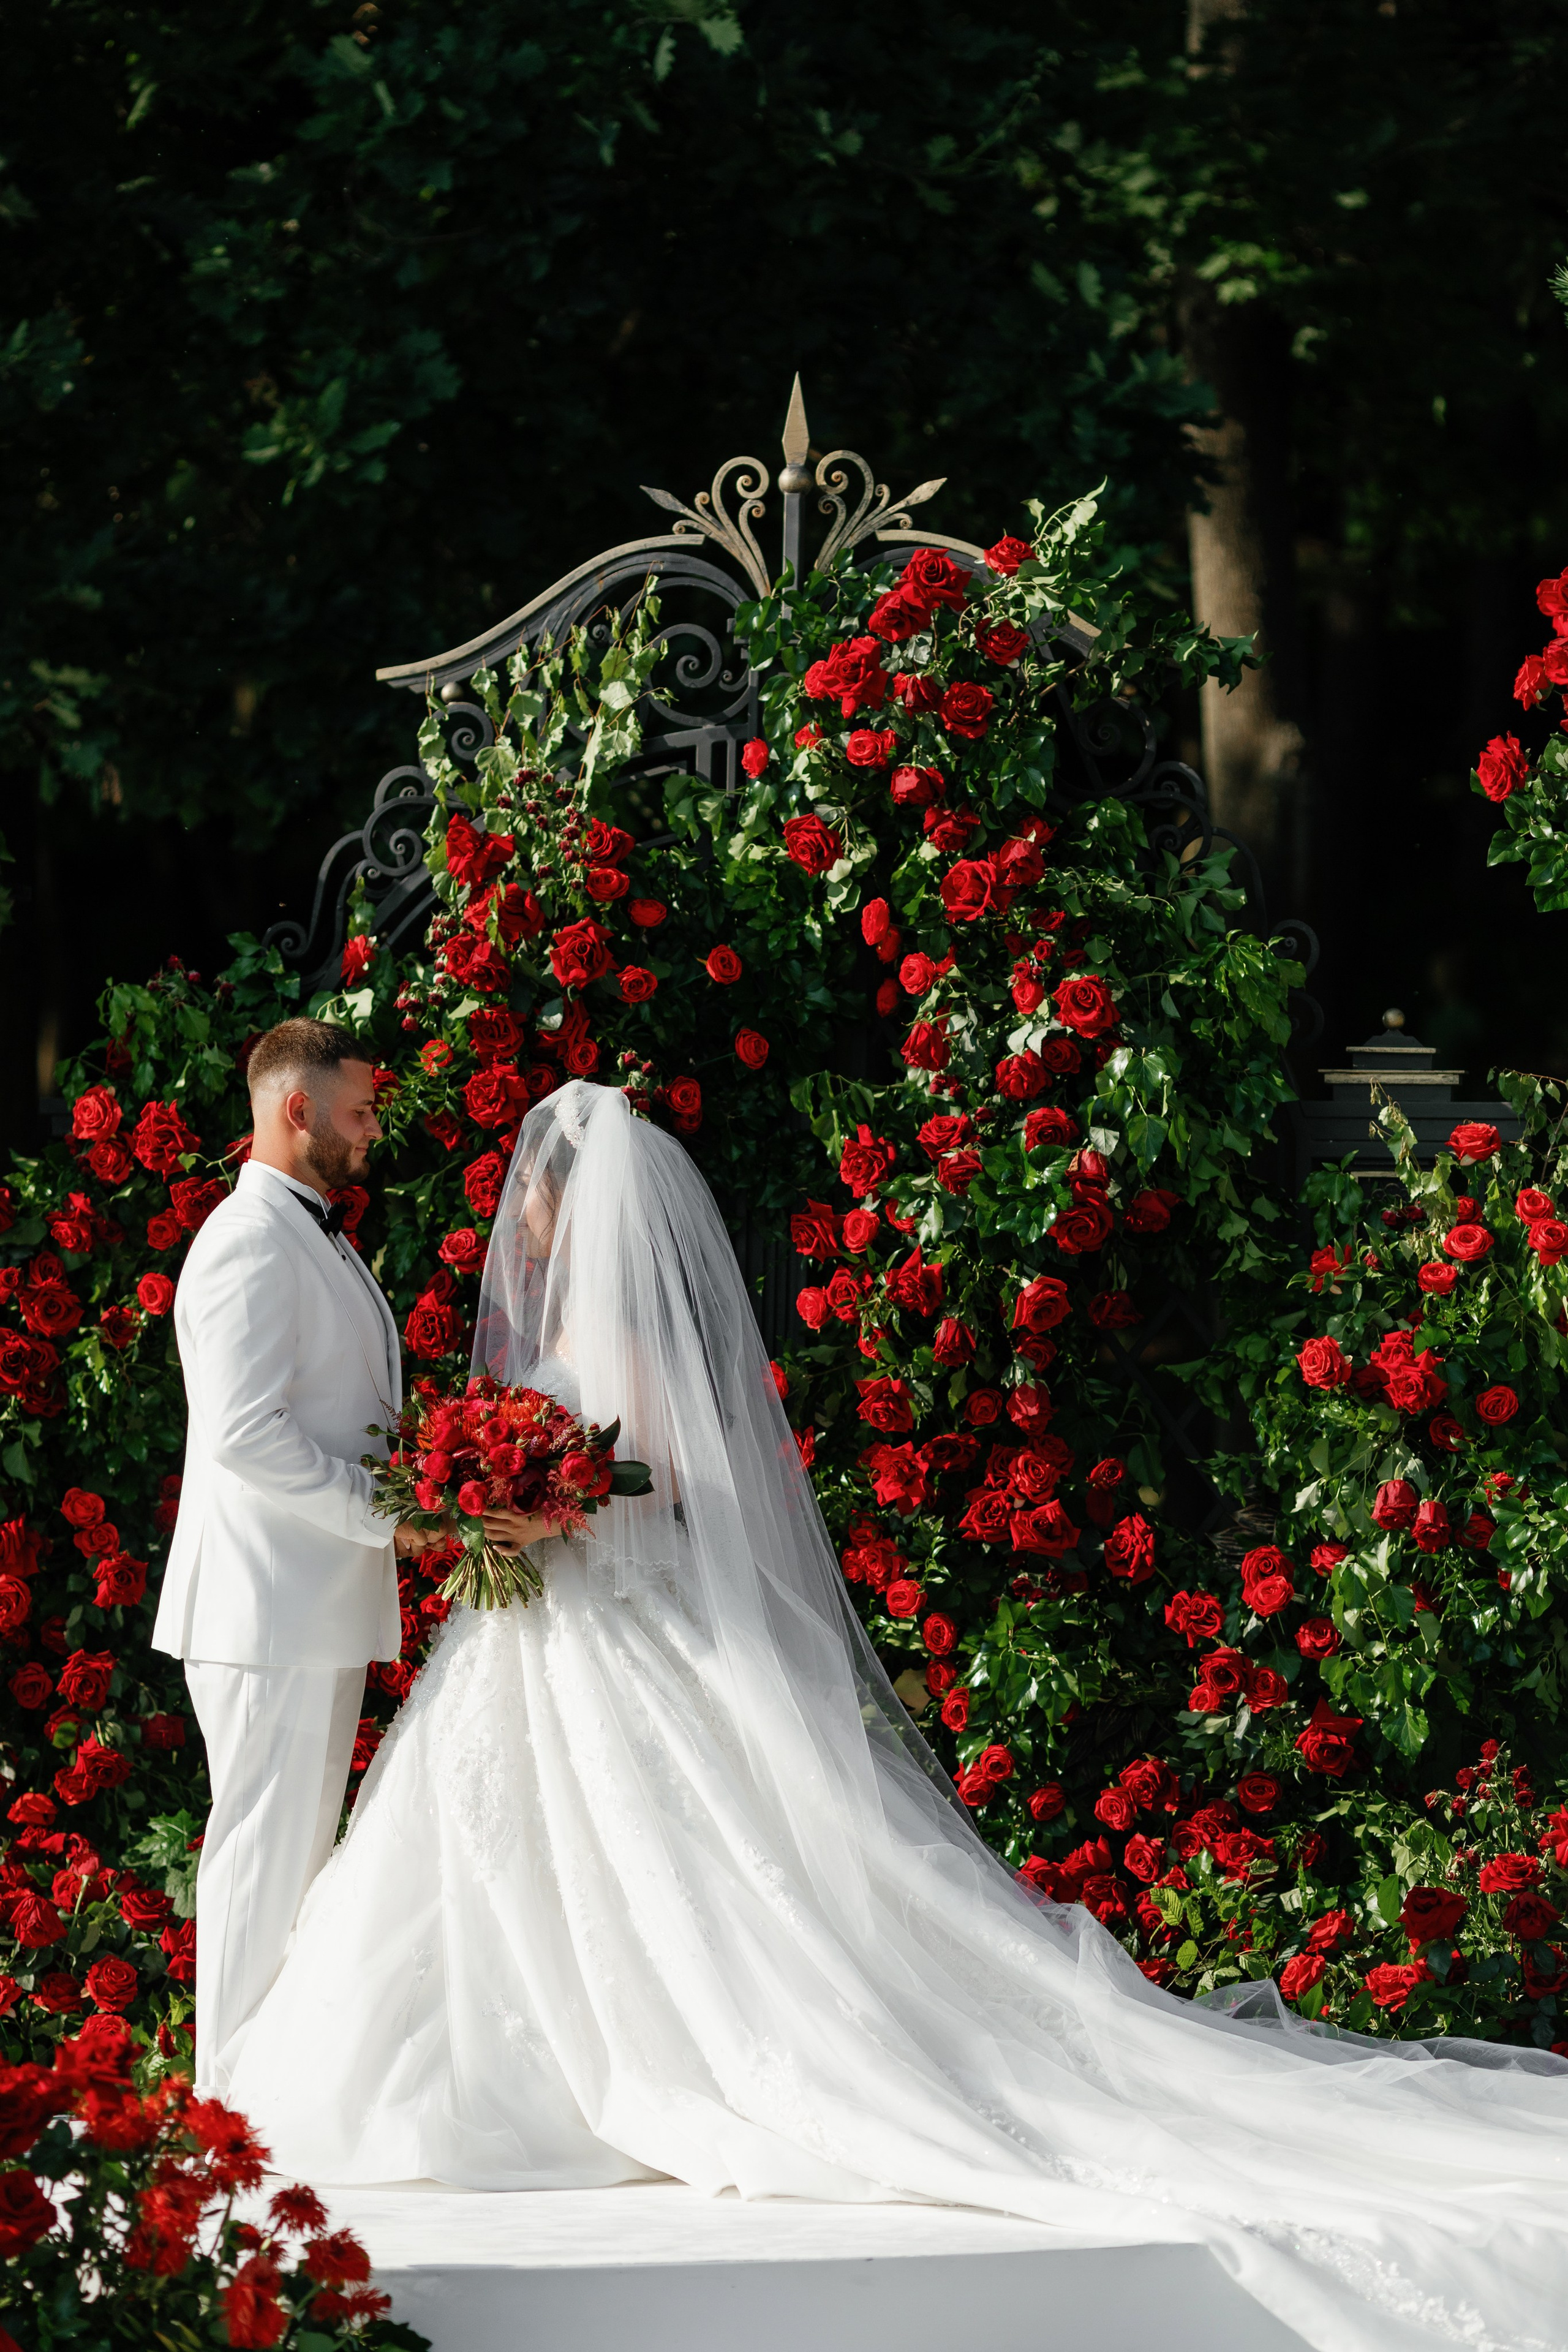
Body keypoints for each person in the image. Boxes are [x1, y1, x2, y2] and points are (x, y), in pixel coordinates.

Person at [227, 1081, 1568, 2351]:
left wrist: (564, 1495)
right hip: (539, 1632)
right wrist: (509, 1501)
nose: (518, 1213)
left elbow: (680, 1473)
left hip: (600, 1629)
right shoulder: (565, 1331)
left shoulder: (617, 1332)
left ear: (570, 1205)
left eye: (534, 1192)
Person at [153, 1017, 446, 2094]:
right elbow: (243, 1431)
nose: (373, 1131)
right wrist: (391, 1517)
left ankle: (257, 2097)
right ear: (298, 1111)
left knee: (290, 1865)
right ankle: (224, 2107)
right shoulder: (245, 1242)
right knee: (261, 1864)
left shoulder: (312, 1232)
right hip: (264, 1612)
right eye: (361, 1112)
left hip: (301, 1609)